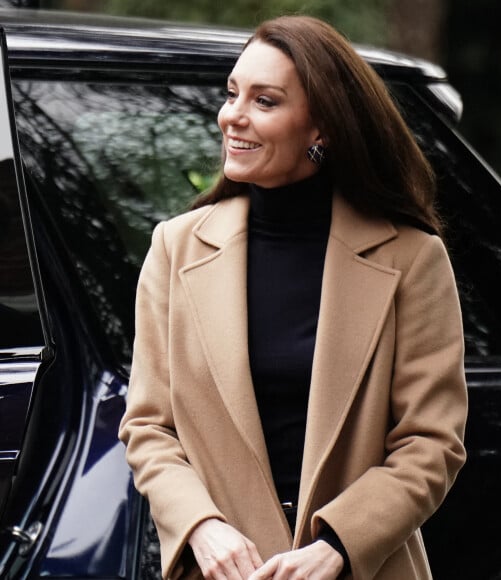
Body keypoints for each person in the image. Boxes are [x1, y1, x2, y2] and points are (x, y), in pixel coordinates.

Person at [119, 15, 468, 580]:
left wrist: (338, 547)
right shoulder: (176, 248)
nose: (233, 115)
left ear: (321, 127)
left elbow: (432, 443)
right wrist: (202, 527)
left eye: (266, 100)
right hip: (221, 570)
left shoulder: (411, 258)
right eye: (233, 94)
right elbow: (149, 428)